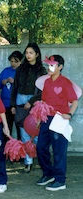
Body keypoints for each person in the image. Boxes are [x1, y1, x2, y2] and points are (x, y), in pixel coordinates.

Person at [36, 55, 78, 191]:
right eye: (49, 65)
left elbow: (75, 101)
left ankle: (60, 180)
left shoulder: (65, 82)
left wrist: (70, 114)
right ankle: (48, 174)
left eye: (53, 65)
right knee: (40, 147)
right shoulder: (47, 82)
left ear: (60, 67)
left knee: (59, 150)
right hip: (46, 119)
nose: (50, 67)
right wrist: (38, 118)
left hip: (59, 119)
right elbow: (43, 103)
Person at [10, 43, 46, 173]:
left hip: (35, 102)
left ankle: (41, 160)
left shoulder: (42, 70)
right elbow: (14, 88)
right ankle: (28, 162)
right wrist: (13, 104)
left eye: (31, 52)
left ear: (37, 54)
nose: (28, 55)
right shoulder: (20, 69)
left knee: (36, 133)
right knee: (24, 133)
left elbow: (44, 91)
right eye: (27, 53)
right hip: (20, 99)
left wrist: (31, 101)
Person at [0, 51, 23, 140]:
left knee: (21, 130)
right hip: (5, 104)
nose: (13, 64)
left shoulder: (23, 72)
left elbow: (27, 87)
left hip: (18, 104)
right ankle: (7, 150)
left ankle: (20, 150)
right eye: (11, 61)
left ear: (21, 61)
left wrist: (15, 82)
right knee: (7, 129)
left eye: (16, 61)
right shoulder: (6, 71)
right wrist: (3, 81)